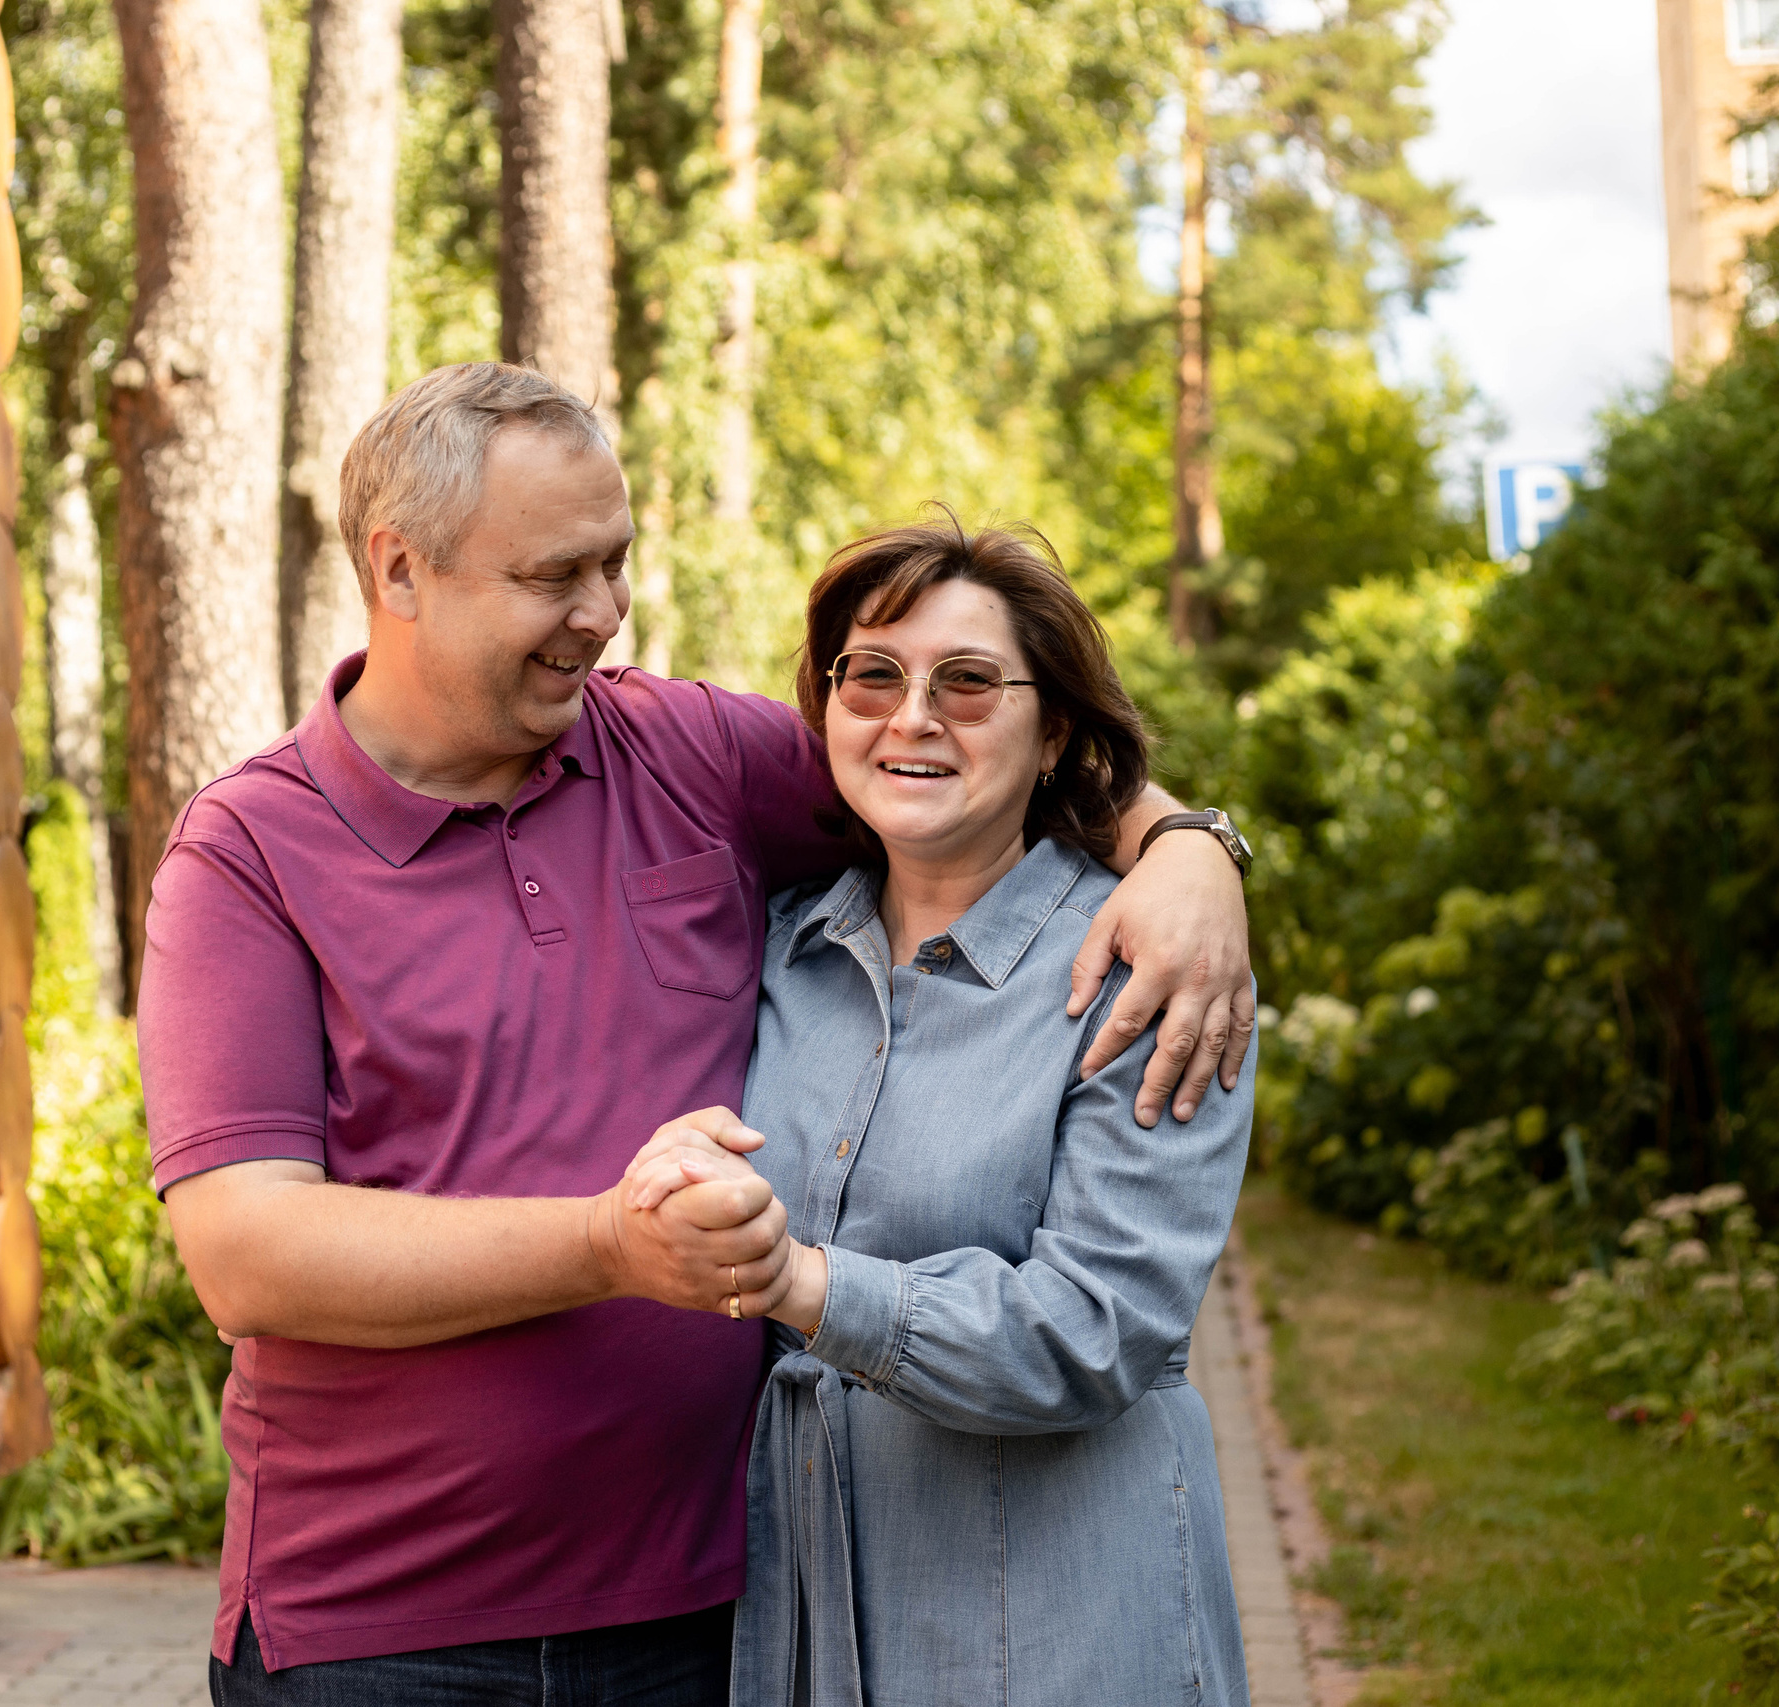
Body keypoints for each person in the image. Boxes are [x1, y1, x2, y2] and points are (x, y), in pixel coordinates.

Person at [135, 363, 1256, 1705]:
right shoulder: (252, 847)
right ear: (402, 568)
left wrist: (1189, 848)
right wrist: (613, 1240)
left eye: (616, 564)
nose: (603, 616)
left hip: (717, 1609)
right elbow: (249, 1255)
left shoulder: (687, 753)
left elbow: (950, 747)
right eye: (556, 575)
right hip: (384, 1626)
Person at [625, 518, 1255, 1704]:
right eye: (873, 676)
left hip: (1065, 1633)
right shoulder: (775, 949)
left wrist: (802, 1283)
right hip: (814, 1623)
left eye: (967, 682)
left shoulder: (1148, 973)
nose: (912, 716)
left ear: (1052, 728)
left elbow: (1092, 1329)